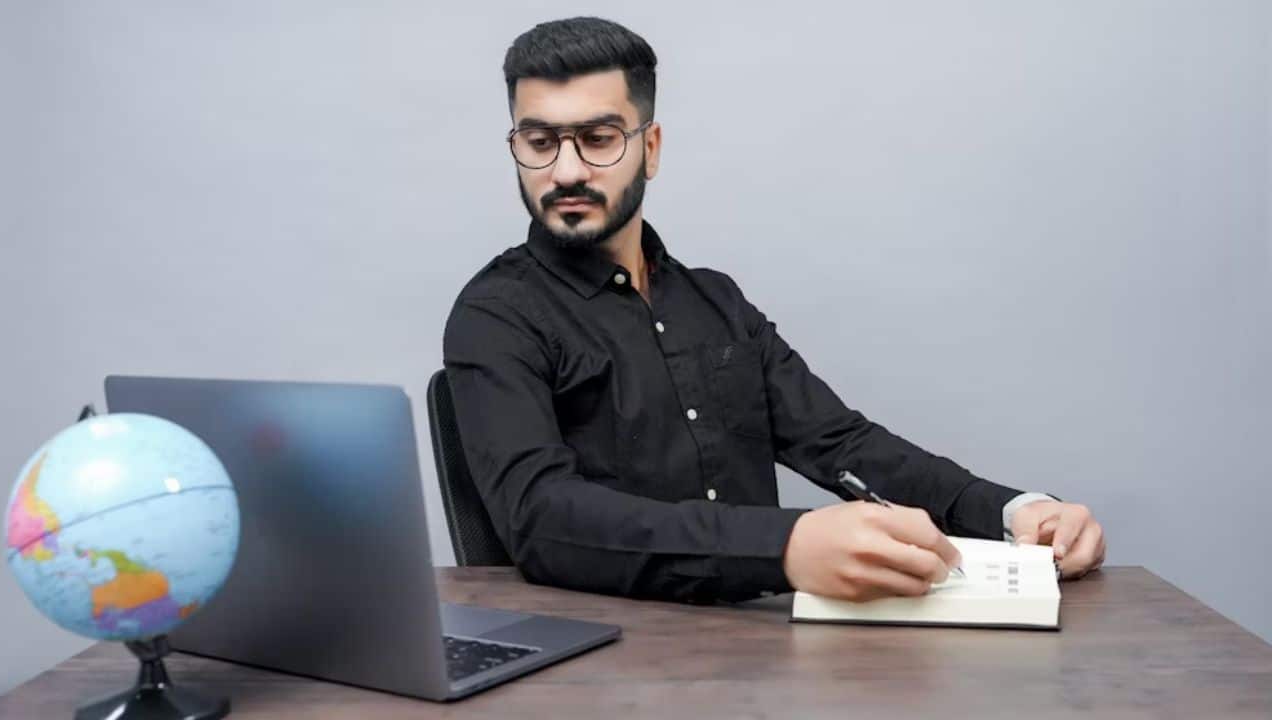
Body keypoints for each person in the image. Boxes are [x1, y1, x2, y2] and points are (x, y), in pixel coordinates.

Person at [443, 16, 1105, 604]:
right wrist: (784, 547)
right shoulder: (494, 315)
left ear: (651, 148)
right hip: (601, 663)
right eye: (540, 142)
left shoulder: (717, 303)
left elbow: (842, 443)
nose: (565, 171)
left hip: (759, 658)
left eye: (597, 138)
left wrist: (1013, 512)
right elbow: (539, 517)